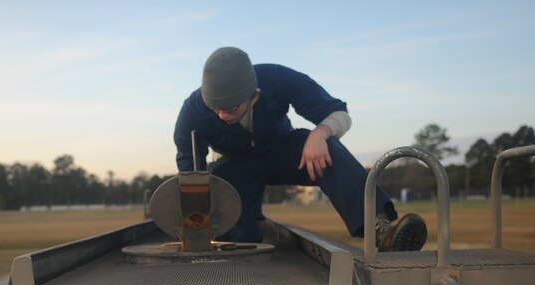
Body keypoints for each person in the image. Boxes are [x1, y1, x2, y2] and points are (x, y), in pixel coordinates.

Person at [173, 47, 427, 250]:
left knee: (329, 148)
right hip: (235, 164)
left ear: (253, 93)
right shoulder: (192, 111)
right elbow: (190, 172)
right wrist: (197, 220)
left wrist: (320, 133)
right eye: (215, 108)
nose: (222, 114)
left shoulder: (276, 78)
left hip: (283, 152)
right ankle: (241, 234)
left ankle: (379, 229)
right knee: (232, 224)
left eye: (231, 108)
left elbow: (338, 112)